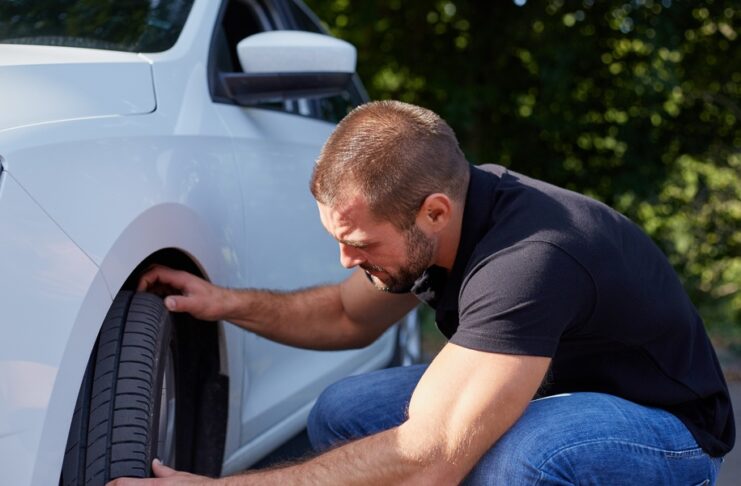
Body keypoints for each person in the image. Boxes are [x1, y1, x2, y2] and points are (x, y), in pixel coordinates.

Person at [113, 101, 733, 485]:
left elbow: (429, 457)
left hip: (668, 433)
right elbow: (340, 314)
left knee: (526, 457)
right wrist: (224, 301)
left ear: (433, 212)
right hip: (554, 387)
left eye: (359, 241)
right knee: (344, 410)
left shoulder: (531, 259)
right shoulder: (444, 225)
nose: (345, 259)